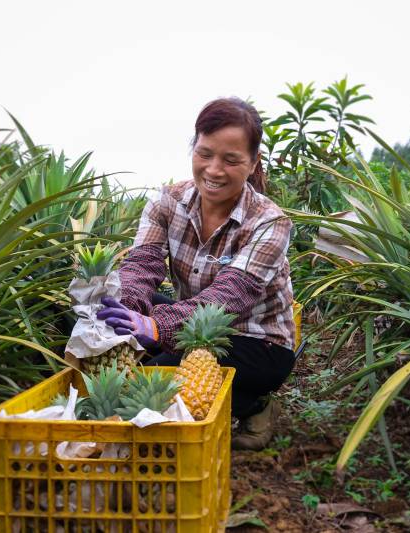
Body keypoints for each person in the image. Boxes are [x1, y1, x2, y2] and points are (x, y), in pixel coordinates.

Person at [97, 97, 296, 450]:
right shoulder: (167, 201)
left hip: (256, 342)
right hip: (192, 324)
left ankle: (254, 403)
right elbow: (142, 264)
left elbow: (231, 295)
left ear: (253, 164)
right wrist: (128, 311)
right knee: (110, 323)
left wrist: (157, 327)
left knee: (152, 380)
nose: (214, 170)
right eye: (205, 153)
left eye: (231, 160)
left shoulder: (270, 222)